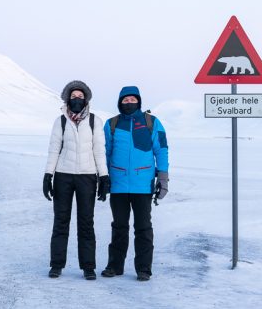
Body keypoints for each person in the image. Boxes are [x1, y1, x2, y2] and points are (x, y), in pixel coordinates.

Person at [101, 86, 169, 281]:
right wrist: (103, 178)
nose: (129, 103)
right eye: (125, 100)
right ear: (120, 102)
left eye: (132, 99)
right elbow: (105, 152)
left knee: (143, 227)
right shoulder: (111, 124)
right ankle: (114, 266)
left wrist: (162, 179)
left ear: (138, 101)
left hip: (143, 184)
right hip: (118, 185)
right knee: (119, 226)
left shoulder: (152, 123)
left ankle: (143, 269)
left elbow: (161, 150)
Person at [44, 80, 111, 280]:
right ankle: (56, 265)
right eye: (73, 96)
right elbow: (54, 148)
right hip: (63, 176)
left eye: (80, 96)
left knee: (86, 223)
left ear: (86, 99)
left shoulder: (94, 121)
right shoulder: (61, 121)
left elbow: (99, 151)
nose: (77, 99)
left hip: (87, 177)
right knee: (61, 221)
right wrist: (48, 175)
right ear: (67, 98)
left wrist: (104, 176)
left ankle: (88, 266)